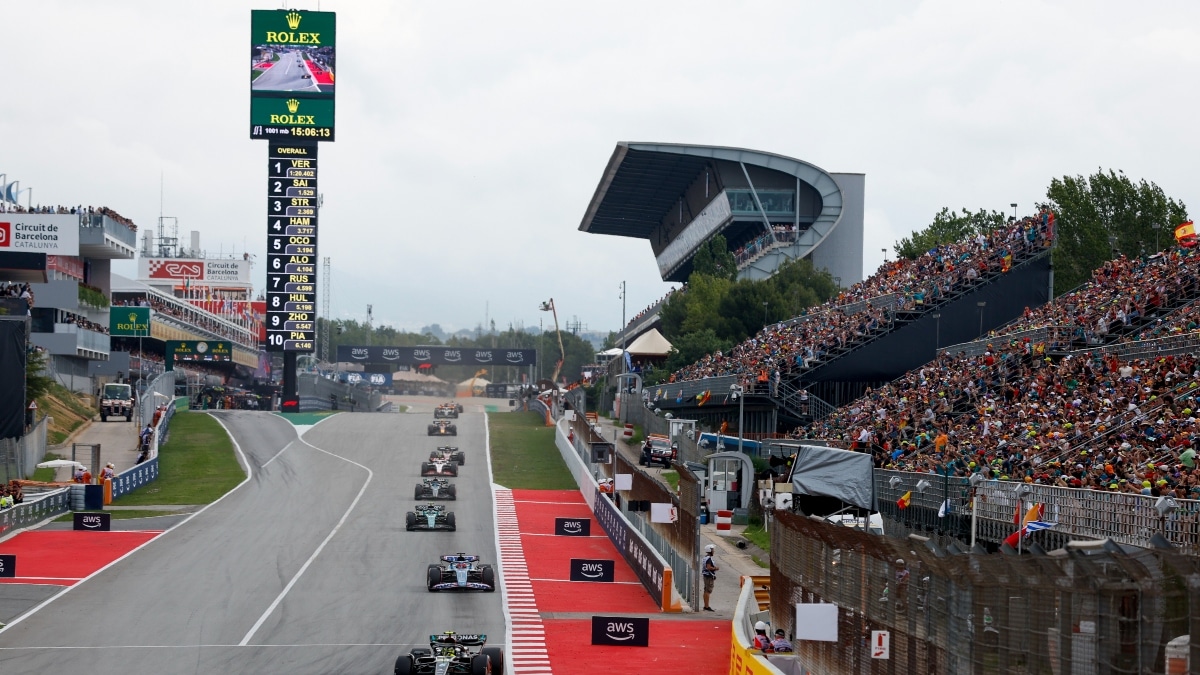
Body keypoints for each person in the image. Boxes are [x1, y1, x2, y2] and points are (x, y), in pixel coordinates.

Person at [702, 543, 719, 611]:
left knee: (706, 590)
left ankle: (706, 605)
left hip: (706, 575)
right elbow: (708, 567)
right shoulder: (709, 559)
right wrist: (715, 568)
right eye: (712, 550)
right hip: (709, 576)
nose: (713, 551)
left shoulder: (705, 558)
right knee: (708, 591)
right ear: (710, 550)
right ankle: (706, 606)